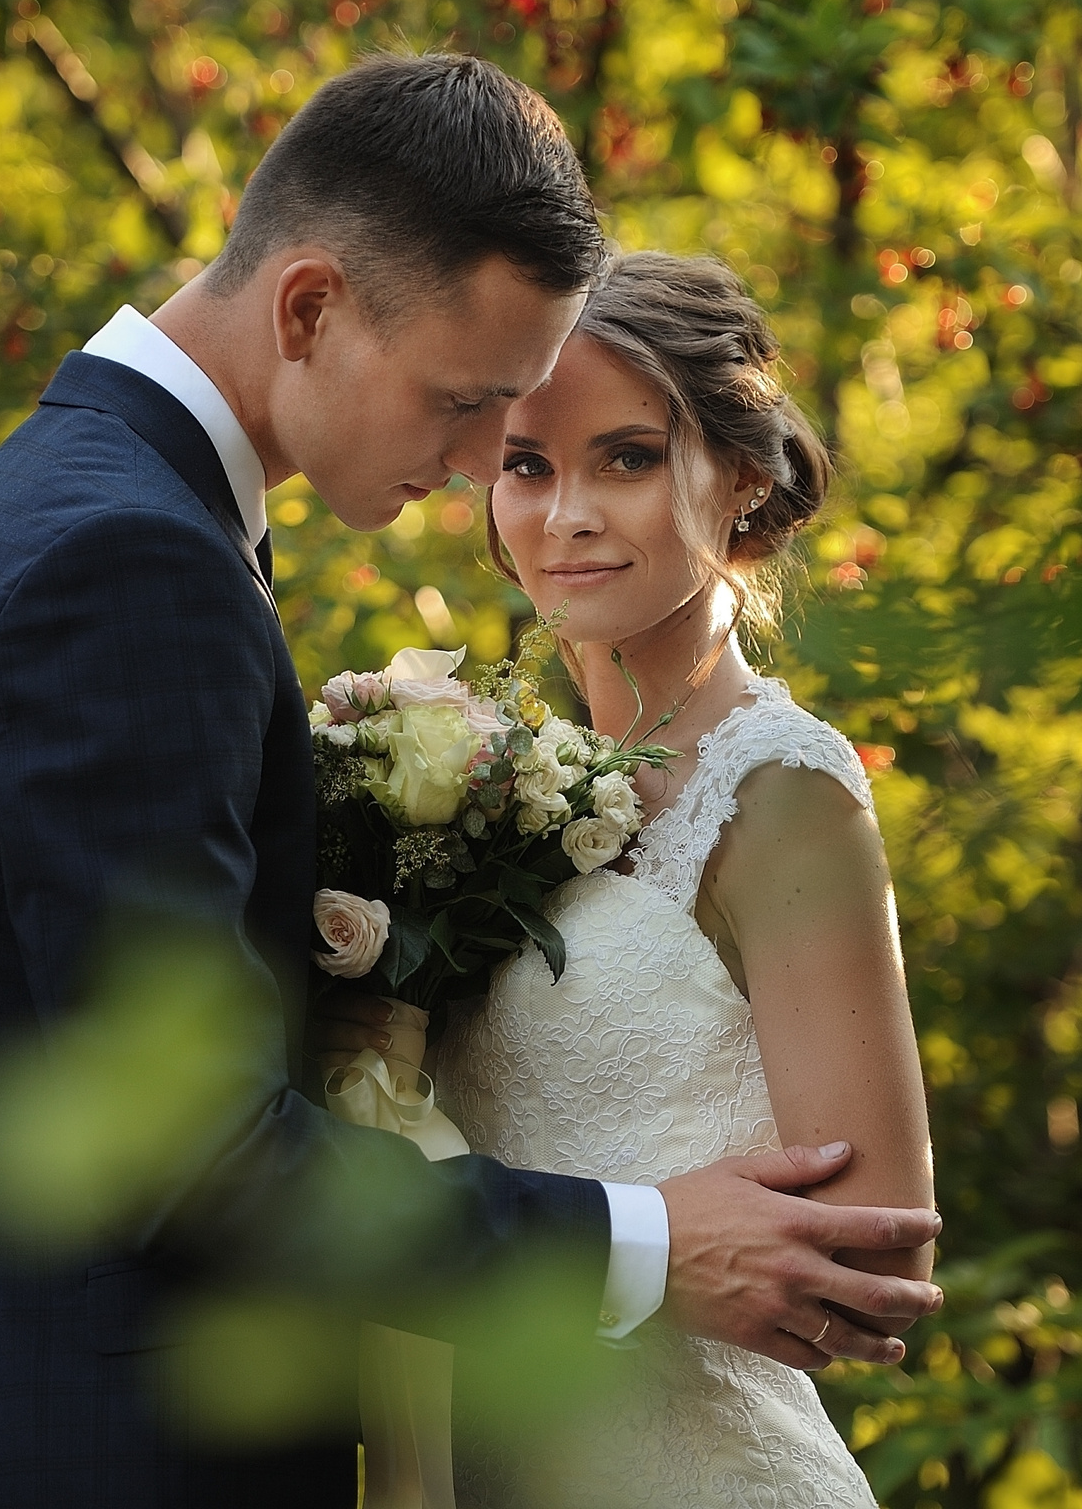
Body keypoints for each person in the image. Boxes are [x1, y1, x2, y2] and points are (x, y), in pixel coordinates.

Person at [0, 56, 942, 1509]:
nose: (495, 462)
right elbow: (191, 1155)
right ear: (309, 308)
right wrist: (643, 1247)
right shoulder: (126, 568)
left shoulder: (75, 507)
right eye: (471, 401)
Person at [432, 250, 937, 1506]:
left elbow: (872, 1258)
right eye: (527, 465)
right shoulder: (488, 792)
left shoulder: (780, 794)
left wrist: (628, 1249)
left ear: (744, 478)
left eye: (627, 457)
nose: (567, 515)